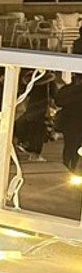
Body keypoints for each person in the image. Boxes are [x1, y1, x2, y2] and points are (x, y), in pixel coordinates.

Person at [54, 37, 82, 172]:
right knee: (72, 146)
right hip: (73, 123)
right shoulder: (71, 90)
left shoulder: (68, 90)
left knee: (71, 146)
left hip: (70, 123)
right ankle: (72, 168)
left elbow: (59, 101)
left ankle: (71, 167)